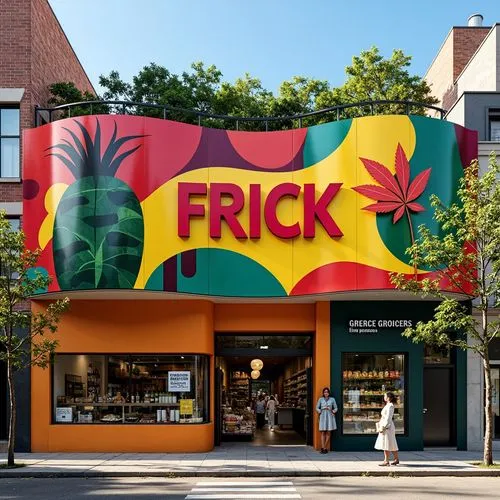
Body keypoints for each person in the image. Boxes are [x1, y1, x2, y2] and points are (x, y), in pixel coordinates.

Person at [375, 392, 400, 466]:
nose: (384, 397)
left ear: (388, 398)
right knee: (391, 442)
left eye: (385, 396)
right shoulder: (388, 405)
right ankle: (396, 459)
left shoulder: (390, 406)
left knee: (386, 443)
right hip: (386, 425)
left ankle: (386, 461)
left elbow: (388, 417)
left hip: (387, 426)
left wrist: (384, 426)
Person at [316, 387, 337, 453]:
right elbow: (317, 407)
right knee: (322, 432)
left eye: (327, 392)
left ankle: (324, 447)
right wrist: (320, 411)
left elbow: (336, 408)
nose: (326, 393)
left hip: (330, 416)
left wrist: (332, 410)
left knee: (328, 432)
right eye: (325, 392)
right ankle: (323, 447)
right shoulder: (320, 399)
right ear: (323, 393)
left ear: (329, 393)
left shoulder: (332, 399)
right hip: (323, 415)